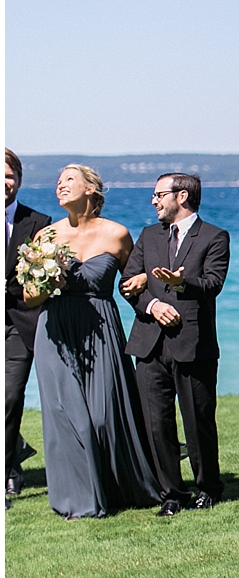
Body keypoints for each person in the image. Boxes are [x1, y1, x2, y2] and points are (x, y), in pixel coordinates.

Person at [25, 165, 160, 518]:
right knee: (68, 418)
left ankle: (120, 488)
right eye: (58, 181)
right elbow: (28, 297)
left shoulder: (117, 234)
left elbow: (134, 281)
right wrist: (45, 286)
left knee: (104, 416)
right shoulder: (45, 237)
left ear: (91, 190)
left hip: (102, 329)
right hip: (56, 331)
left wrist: (144, 277)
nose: (60, 185)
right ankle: (78, 500)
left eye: (68, 179)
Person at [121, 173, 229, 515]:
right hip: (149, 343)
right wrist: (152, 305)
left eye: (158, 195)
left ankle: (209, 488)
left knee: (198, 420)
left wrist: (182, 284)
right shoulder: (148, 235)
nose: (153, 201)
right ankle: (171, 493)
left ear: (181, 196)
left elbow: (213, 284)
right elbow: (128, 284)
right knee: (157, 422)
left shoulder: (214, 236)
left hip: (192, 342)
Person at [5, 149, 51, 507]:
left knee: (8, 397)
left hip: (17, 324)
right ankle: (16, 451)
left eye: (9, 176)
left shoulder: (38, 222)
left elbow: (38, 280)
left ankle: (7, 473)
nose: (5, 183)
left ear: (19, 180)